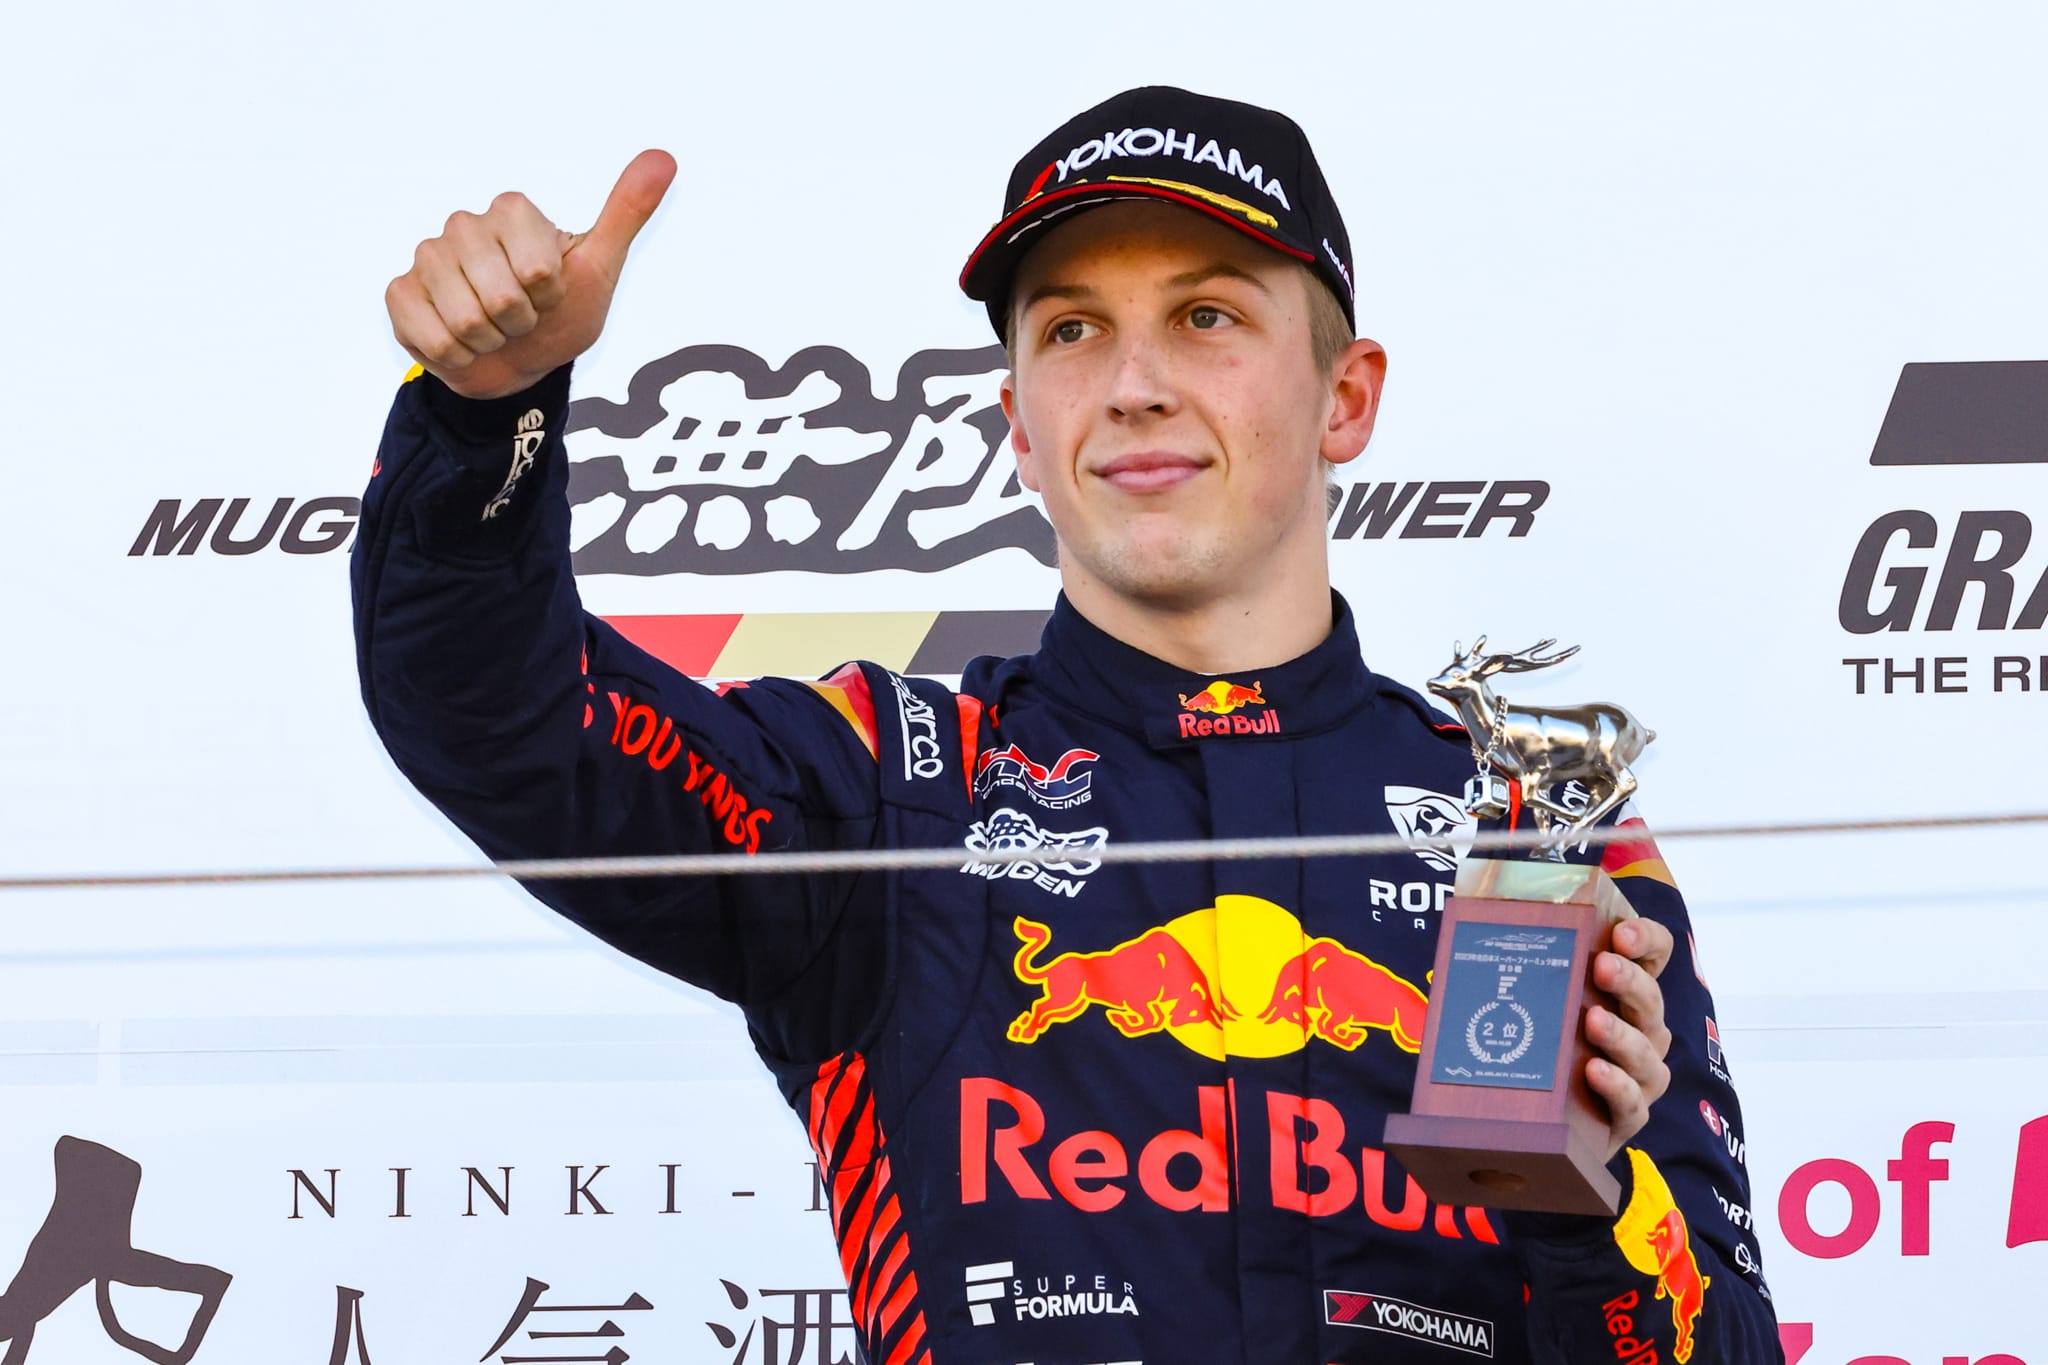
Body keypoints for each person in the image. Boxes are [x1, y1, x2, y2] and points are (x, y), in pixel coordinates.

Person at [359, 86, 1781, 1365]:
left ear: (1345, 399)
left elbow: (1719, 1348)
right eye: (1073, 330)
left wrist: (1590, 1200)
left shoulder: (1534, 834)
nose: (1134, 383)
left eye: (1207, 317)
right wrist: (486, 420)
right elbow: (503, 719)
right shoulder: (890, 784)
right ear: (1022, 427)